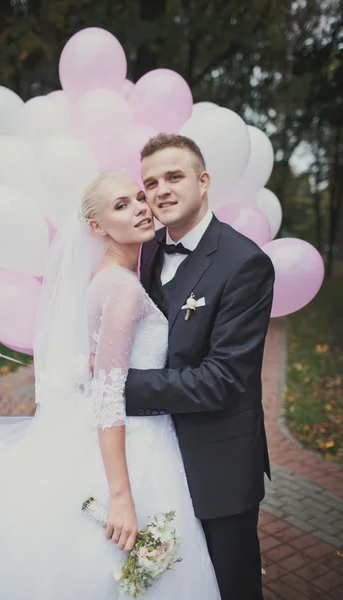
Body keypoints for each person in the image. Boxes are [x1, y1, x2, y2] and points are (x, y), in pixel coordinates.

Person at [0, 171, 220, 599]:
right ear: (97, 227)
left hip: (131, 432)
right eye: (121, 206)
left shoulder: (105, 275)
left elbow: (104, 364)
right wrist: (122, 496)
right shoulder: (123, 289)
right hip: (135, 443)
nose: (141, 209)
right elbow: (109, 397)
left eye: (138, 198)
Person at [125, 134, 275, 600]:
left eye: (174, 176)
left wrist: (118, 387)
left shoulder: (245, 263)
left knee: (231, 583)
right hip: (155, 454)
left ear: (204, 181)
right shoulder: (147, 248)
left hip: (219, 460)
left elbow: (223, 380)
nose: (161, 190)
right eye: (150, 182)